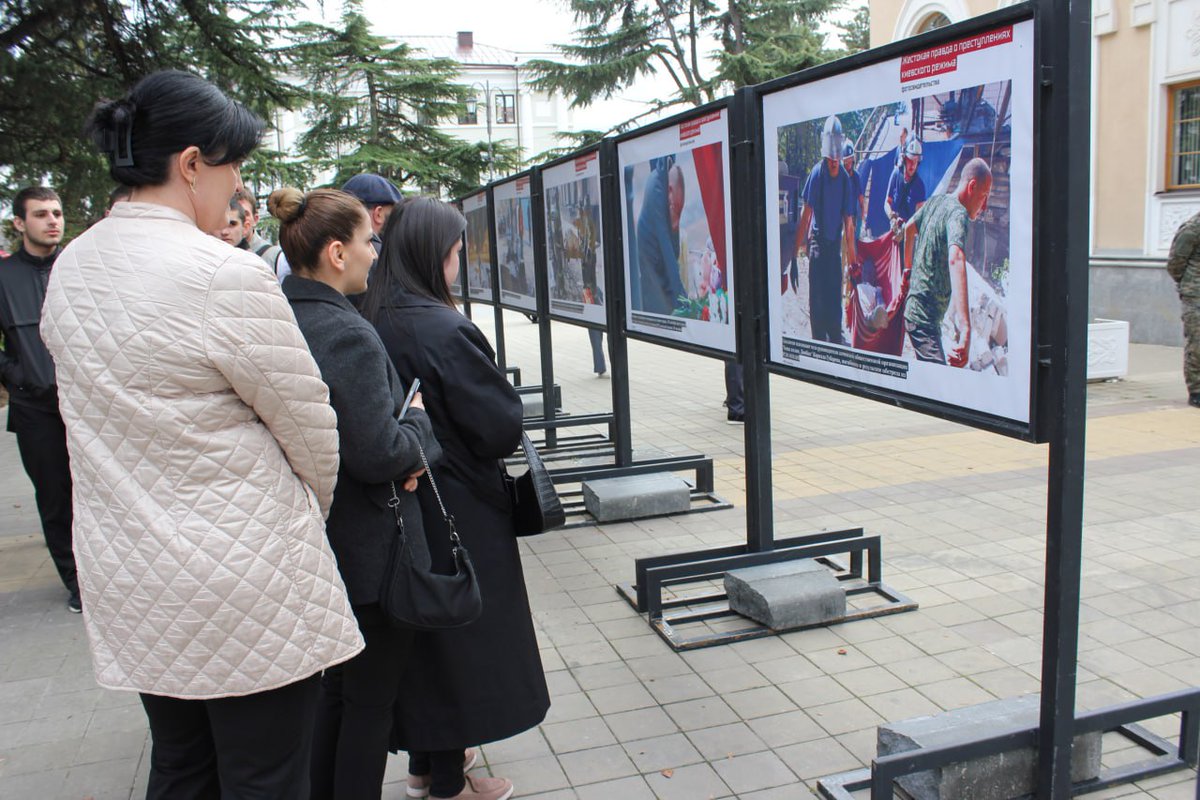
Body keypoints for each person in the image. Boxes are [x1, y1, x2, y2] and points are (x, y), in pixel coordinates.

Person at [40, 69, 363, 798]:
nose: (234, 187)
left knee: (182, 765)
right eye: (233, 168)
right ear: (192, 164)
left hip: (131, 570)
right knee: (266, 775)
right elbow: (310, 428)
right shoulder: (222, 274)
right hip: (241, 573)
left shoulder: (72, 267)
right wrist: (303, 511)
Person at [363, 197, 549, 800]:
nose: (459, 260)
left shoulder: (370, 313)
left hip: (396, 505)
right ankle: (447, 784)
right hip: (459, 507)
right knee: (459, 644)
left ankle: (427, 766)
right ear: (433, 253)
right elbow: (497, 425)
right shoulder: (442, 326)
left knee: (422, 642)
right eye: (455, 250)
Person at [272, 186, 442, 799]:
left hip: (318, 537)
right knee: (368, 702)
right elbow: (379, 452)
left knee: (335, 695)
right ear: (337, 252)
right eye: (371, 241)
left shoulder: (283, 315)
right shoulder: (344, 332)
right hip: (368, 549)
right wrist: (417, 421)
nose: (378, 251)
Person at [0, 186, 79, 612]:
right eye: (41, 214)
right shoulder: (4, 275)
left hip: (87, 402)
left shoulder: (78, 267)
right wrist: (17, 375)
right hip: (35, 409)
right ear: (19, 223)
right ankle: (75, 580)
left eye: (57, 212)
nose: (53, 221)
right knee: (54, 494)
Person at [901, 157, 993, 367]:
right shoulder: (958, 214)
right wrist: (966, 328)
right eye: (984, 196)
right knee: (937, 385)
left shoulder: (935, 202)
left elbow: (908, 229)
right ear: (972, 186)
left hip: (917, 315)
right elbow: (956, 258)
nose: (984, 206)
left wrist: (907, 272)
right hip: (923, 320)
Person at [795, 115, 858, 344]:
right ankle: (818, 339)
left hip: (834, 245)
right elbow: (806, 213)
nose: (833, 163)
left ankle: (834, 336)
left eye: (836, 159)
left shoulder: (844, 180)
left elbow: (849, 224)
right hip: (817, 242)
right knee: (818, 296)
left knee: (834, 294)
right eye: (830, 159)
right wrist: (795, 252)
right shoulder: (817, 173)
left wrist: (854, 262)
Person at [636, 157, 688, 315]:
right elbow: (666, 249)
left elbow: (674, 249)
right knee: (658, 302)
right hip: (648, 253)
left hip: (657, 248)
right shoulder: (657, 191)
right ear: (669, 191)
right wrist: (682, 298)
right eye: (673, 207)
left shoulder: (668, 174)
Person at [1166, 210, 1200, 407]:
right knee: (1197, 343)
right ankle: (1196, 389)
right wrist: (1189, 285)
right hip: (1196, 294)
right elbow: (1175, 263)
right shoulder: (1193, 228)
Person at [886, 137, 927, 239]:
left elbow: (919, 217)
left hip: (909, 238)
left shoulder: (919, 186)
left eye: (916, 161)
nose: (913, 165)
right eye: (910, 160)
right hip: (893, 231)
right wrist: (891, 217)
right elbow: (887, 202)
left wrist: (905, 230)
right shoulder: (896, 174)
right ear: (904, 158)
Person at [234, 187, 283, 270]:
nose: (240, 219)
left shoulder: (274, 256)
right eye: (234, 214)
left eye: (245, 214)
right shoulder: (218, 254)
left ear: (255, 219)